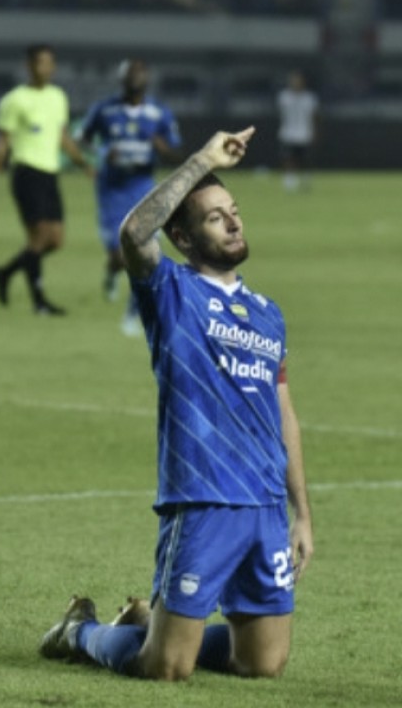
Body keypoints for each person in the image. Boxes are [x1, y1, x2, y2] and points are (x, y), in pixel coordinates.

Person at [37, 127, 314, 681]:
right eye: (215, 217)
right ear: (184, 239)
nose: (234, 221)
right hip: (203, 499)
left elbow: (284, 413)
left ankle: (154, 621)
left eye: (233, 210)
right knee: (165, 667)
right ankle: (80, 631)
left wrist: (302, 512)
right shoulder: (172, 294)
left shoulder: (268, 313)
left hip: (263, 505)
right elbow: (135, 231)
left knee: (262, 663)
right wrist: (202, 161)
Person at [0, 44, 94, 316]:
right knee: (39, 236)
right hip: (26, 172)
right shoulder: (14, 100)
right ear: (29, 66)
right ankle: (39, 301)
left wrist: (82, 163)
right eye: (40, 63)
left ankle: (4, 273)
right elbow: (1, 144)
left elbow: (62, 136)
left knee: (56, 240)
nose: (46, 68)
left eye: (50, 63)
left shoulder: (57, 97)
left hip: (50, 173)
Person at [77, 58, 183, 336]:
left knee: (145, 257)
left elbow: (176, 151)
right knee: (118, 256)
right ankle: (111, 274)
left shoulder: (158, 113)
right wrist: (101, 153)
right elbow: (82, 138)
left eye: (140, 73)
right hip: (111, 191)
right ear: (122, 78)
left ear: (146, 78)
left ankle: (132, 314)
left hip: (143, 188)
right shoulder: (105, 109)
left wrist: (163, 147)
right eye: (130, 73)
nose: (135, 77)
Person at [276, 70, 318, 192]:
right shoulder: (284, 97)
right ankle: (290, 181)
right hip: (288, 133)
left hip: (304, 134)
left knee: (305, 160)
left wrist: (315, 132)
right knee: (288, 158)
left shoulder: (309, 98)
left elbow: (314, 117)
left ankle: (305, 180)